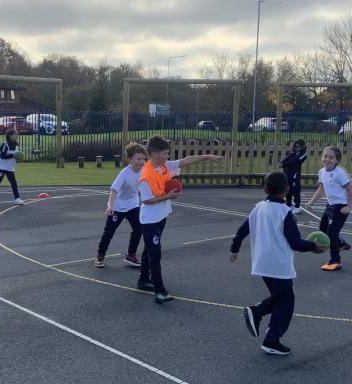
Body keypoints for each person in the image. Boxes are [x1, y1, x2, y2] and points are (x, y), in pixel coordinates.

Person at [230, 171, 323, 355]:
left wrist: (235, 249)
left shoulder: (258, 208)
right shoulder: (285, 212)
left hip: (262, 263)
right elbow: (295, 243)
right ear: (287, 189)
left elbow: (242, 230)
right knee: (286, 302)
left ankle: (259, 313)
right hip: (279, 265)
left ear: (265, 189)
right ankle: (271, 338)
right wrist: (313, 246)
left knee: (281, 297)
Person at [137, 135, 224, 303]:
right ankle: (160, 291)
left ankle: (143, 280)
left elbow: (186, 160)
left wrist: (207, 156)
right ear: (154, 153)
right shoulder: (145, 175)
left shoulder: (164, 166)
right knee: (155, 254)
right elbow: (147, 200)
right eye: (164, 153)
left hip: (161, 216)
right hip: (150, 220)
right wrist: (167, 196)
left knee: (149, 249)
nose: (167, 156)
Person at [303, 146, 352, 271]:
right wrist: (311, 202)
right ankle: (341, 243)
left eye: (331, 157)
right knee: (322, 228)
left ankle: (335, 261)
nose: (327, 159)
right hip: (330, 205)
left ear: (336, 160)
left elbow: (351, 190)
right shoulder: (322, 172)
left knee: (332, 233)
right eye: (325, 156)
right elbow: (321, 189)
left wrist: (348, 206)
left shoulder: (338, 174)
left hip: (341, 207)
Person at [94, 142, 147, 268]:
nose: (142, 162)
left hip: (133, 205)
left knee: (139, 228)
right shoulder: (124, 174)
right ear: (130, 159)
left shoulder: (144, 170)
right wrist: (110, 206)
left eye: (143, 159)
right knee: (109, 233)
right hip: (118, 207)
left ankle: (131, 255)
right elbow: (113, 191)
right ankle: (100, 256)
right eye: (138, 159)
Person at [0, 128, 24, 205]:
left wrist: (18, 157)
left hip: (10, 168)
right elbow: (2, 156)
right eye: (15, 134)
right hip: (0, 167)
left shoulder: (16, 146)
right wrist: (13, 155)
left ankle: (17, 198)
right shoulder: (5, 145)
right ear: (10, 136)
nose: (17, 135)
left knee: (14, 183)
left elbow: (15, 156)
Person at [278, 139, 307, 212]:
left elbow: (295, 161)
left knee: (295, 191)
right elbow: (288, 158)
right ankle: (289, 204)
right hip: (287, 174)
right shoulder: (293, 152)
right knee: (288, 189)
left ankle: (297, 207)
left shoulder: (303, 154)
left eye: (298, 147)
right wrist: (281, 162)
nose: (297, 148)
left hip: (295, 175)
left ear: (303, 146)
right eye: (295, 147)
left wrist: (284, 164)